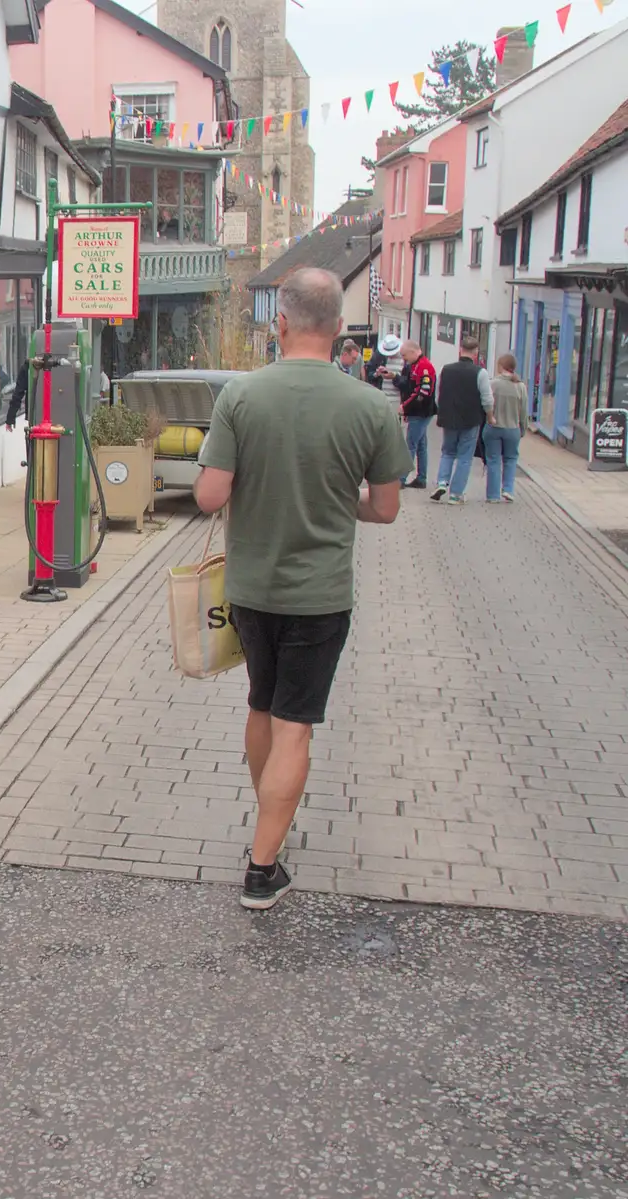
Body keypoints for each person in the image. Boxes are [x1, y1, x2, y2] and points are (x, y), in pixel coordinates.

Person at [194, 267, 412, 911]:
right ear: (340, 328)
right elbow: (387, 508)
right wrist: (340, 502)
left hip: (251, 589)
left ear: (280, 323)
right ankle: (263, 869)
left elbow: (209, 496)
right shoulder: (373, 407)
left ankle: (269, 825)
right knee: (296, 726)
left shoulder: (241, 396)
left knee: (262, 705)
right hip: (320, 596)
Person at [431, 333, 493, 504]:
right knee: (465, 456)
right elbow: (487, 399)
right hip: (471, 419)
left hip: (449, 418)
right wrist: (490, 416)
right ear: (475, 352)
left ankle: (442, 482)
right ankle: (456, 494)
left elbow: (438, 395)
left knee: (448, 452)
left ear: (460, 350)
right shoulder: (480, 373)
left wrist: (442, 411)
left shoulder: (446, 370)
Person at [484, 353, 527, 503]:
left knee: (493, 460)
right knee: (510, 459)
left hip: (493, 427)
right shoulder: (520, 387)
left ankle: (493, 495)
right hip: (512, 429)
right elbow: (523, 412)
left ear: (501, 366)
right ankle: (508, 489)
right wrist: (523, 429)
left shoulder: (492, 384)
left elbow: (486, 405)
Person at [396, 341, 437, 488]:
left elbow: (422, 393)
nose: (403, 359)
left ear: (414, 352)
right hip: (417, 411)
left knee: (410, 444)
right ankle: (421, 478)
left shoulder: (424, 367)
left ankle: (401, 479)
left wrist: (405, 406)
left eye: (404, 355)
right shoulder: (415, 366)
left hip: (421, 412)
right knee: (420, 444)